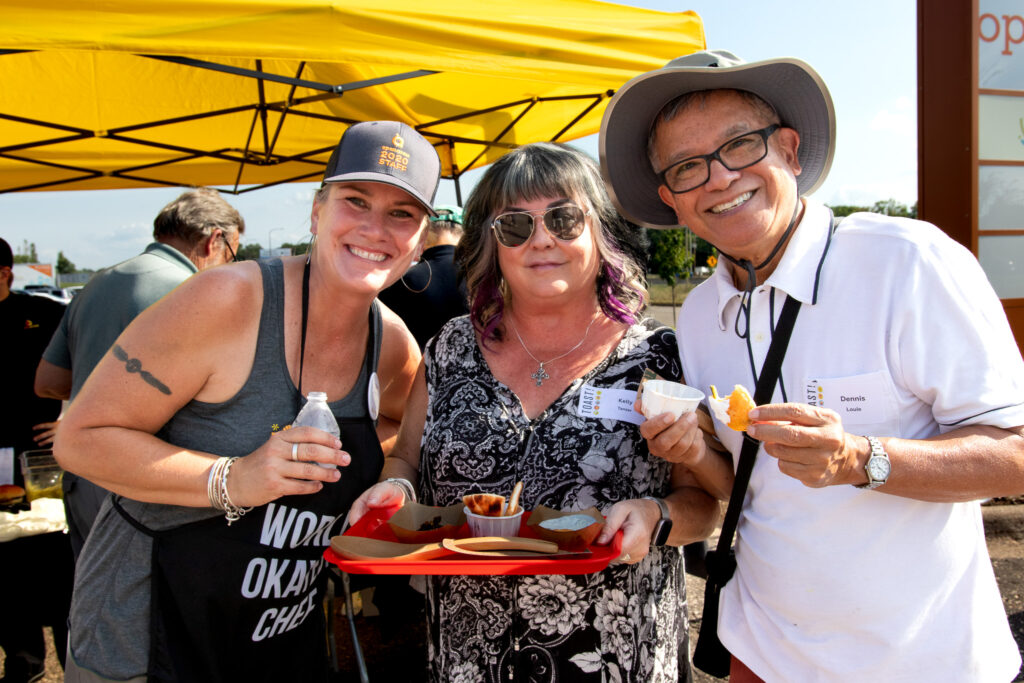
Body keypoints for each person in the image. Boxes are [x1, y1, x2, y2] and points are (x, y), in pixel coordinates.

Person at [600, 49, 1024, 681]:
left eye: (740, 145)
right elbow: (745, 489)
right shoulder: (698, 314)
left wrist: (859, 459)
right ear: (671, 199)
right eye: (688, 168)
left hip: (923, 660)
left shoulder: (909, 263)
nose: (718, 178)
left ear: (790, 152)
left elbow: (1015, 452)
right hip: (763, 652)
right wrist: (692, 453)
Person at [53, 120, 439, 683]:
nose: (375, 228)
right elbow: (80, 440)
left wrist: (388, 480)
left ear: (422, 239)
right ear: (316, 211)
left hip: (280, 632)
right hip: (149, 635)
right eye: (355, 201)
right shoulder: (227, 300)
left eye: (401, 213)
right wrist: (234, 477)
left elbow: (406, 435)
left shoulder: (390, 341)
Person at [349, 142, 720, 682]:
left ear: (600, 231)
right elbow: (406, 457)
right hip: (468, 653)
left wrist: (656, 517)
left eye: (565, 219)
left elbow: (704, 502)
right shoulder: (451, 348)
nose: (543, 238)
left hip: (616, 656)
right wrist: (397, 491)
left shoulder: (659, 356)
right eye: (516, 226)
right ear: (492, 245)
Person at [34, 187, 245, 559]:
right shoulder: (198, 293)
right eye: (232, 254)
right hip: (154, 484)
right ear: (215, 240)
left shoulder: (93, 285)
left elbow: (48, 383)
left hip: (84, 480)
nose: (229, 265)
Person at [0, 236, 72, 681]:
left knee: (56, 561)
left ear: (5, 275)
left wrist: (74, 416)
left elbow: (103, 368)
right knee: (6, 566)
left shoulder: (45, 315)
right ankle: (22, 656)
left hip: (44, 463)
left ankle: (74, 656)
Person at [378, 204, 469, 349]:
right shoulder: (488, 279)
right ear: (465, 236)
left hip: (412, 368)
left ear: (425, 235)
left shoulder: (400, 280)